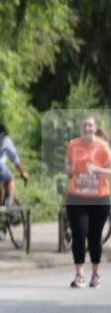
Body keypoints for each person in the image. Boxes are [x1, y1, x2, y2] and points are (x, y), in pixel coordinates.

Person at [64, 116, 111, 288]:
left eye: (90, 125)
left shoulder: (103, 147)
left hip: (99, 198)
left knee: (94, 236)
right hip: (77, 197)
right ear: (80, 128)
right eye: (84, 125)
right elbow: (68, 166)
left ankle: (96, 274)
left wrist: (96, 169)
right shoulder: (73, 144)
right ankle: (79, 275)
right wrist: (69, 169)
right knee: (79, 234)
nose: (87, 128)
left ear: (95, 127)